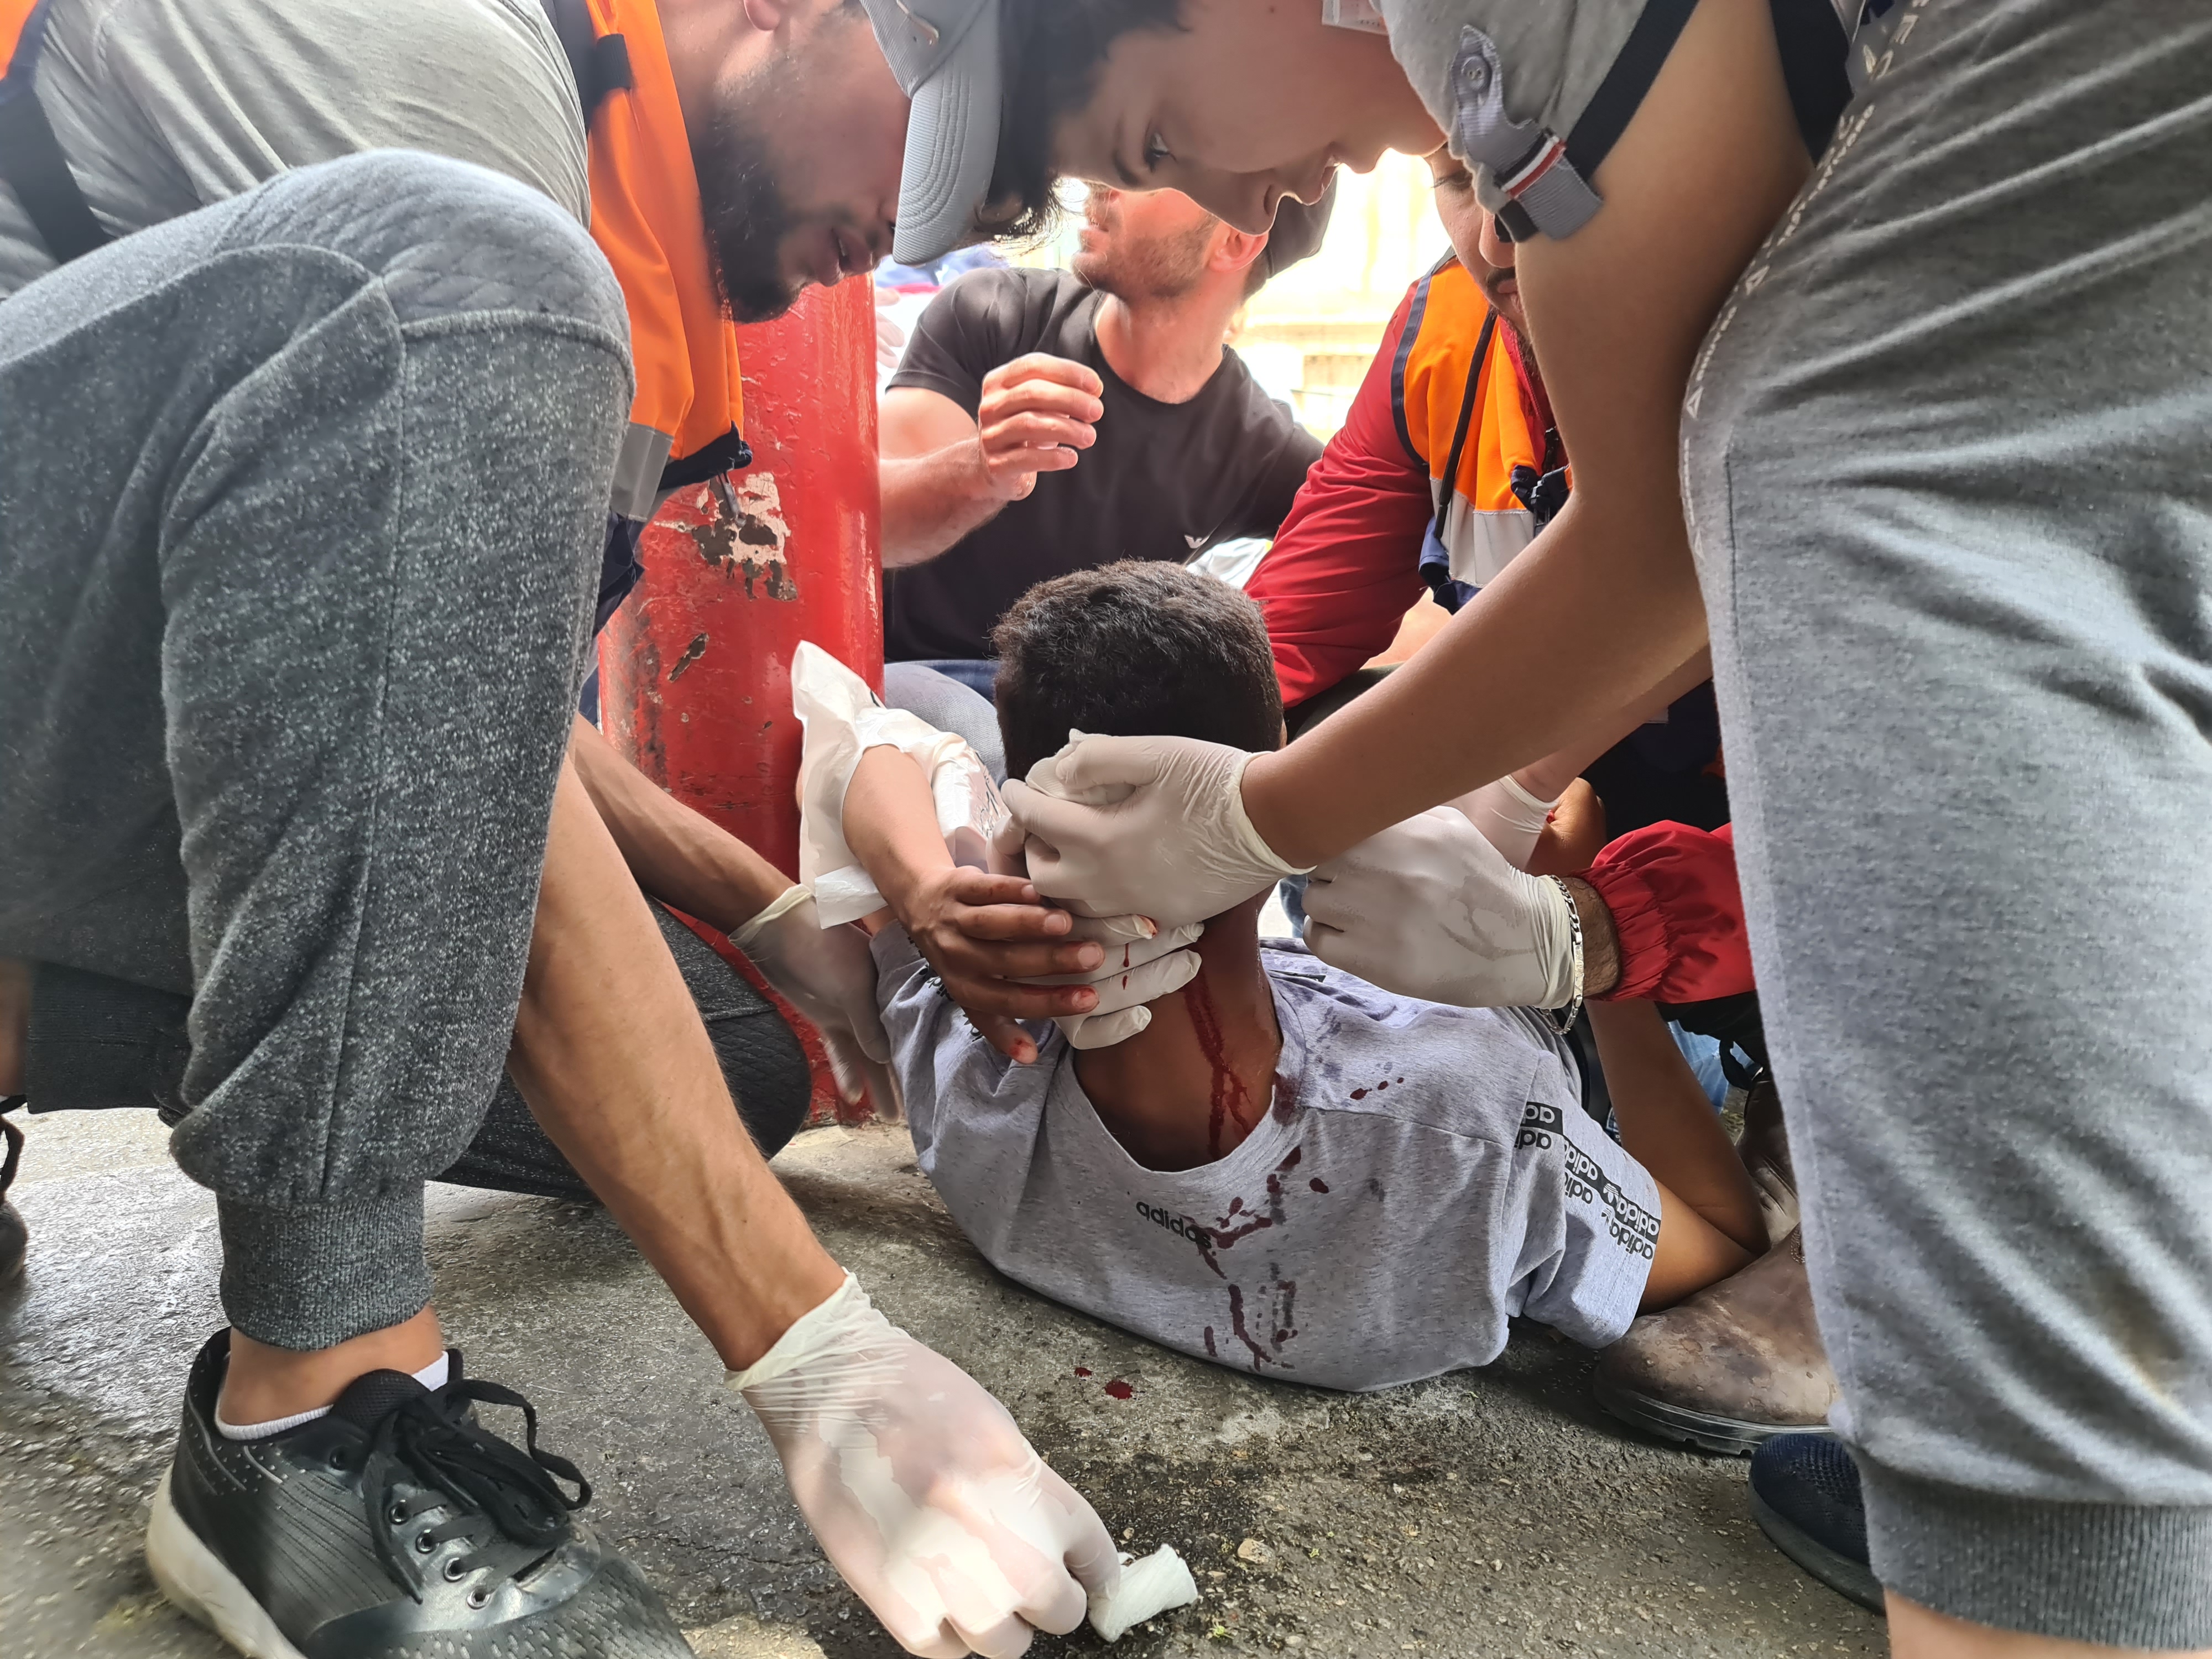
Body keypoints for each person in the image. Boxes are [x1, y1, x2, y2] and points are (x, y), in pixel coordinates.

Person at [881, 0, 2212, 1653]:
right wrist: (1235, 775)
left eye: (1156, 133)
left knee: (1827, 475)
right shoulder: (1465, 320)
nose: (1255, 189)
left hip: (1789, 811)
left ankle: (1994, 1397)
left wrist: (1577, 927)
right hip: (1754, 788)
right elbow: (1317, 621)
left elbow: (1698, 551)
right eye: (1458, 178)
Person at [0, 1, 1139, 1655]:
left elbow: (461, 710)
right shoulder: (449, 62)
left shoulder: (641, 244)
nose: (974, 222)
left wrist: (770, 921)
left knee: (736, 1060)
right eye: (989, 148)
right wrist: (809, 1345)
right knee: (470, 270)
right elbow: (461, 748)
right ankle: (312, 1400)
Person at [804, 561, 1770, 1391]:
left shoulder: (976, 1024)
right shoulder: (1478, 1127)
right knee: (1501, 834)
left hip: (1309, 972)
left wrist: (932, 894)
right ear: (1275, 770)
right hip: (1555, 1029)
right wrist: (1591, 955)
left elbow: (879, 724)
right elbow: (1725, 1245)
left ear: (1026, 815)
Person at [874, 180, 1329, 754]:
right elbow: (871, 525)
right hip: (917, 684)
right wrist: (981, 468)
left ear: (1235, 241)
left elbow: (1376, 562)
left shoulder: (1262, 450)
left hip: (1079, 724)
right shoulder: (991, 313)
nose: (1101, 182)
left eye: (1158, 170)